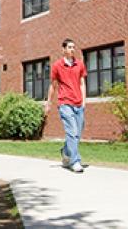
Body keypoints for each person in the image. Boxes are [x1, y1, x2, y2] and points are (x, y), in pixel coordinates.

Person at [45, 38, 87, 173]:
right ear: (63, 49)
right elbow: (53, 85)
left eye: (74, 47)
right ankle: (75, 162)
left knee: (77, 134)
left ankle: (66, 151)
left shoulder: (79, 65)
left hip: (78, 103)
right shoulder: (57, 66)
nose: (72, 49)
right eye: (69, 47)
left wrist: (84, 101)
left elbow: (82, 84)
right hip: (65, 103)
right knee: (72, 132)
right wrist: (48, 102)